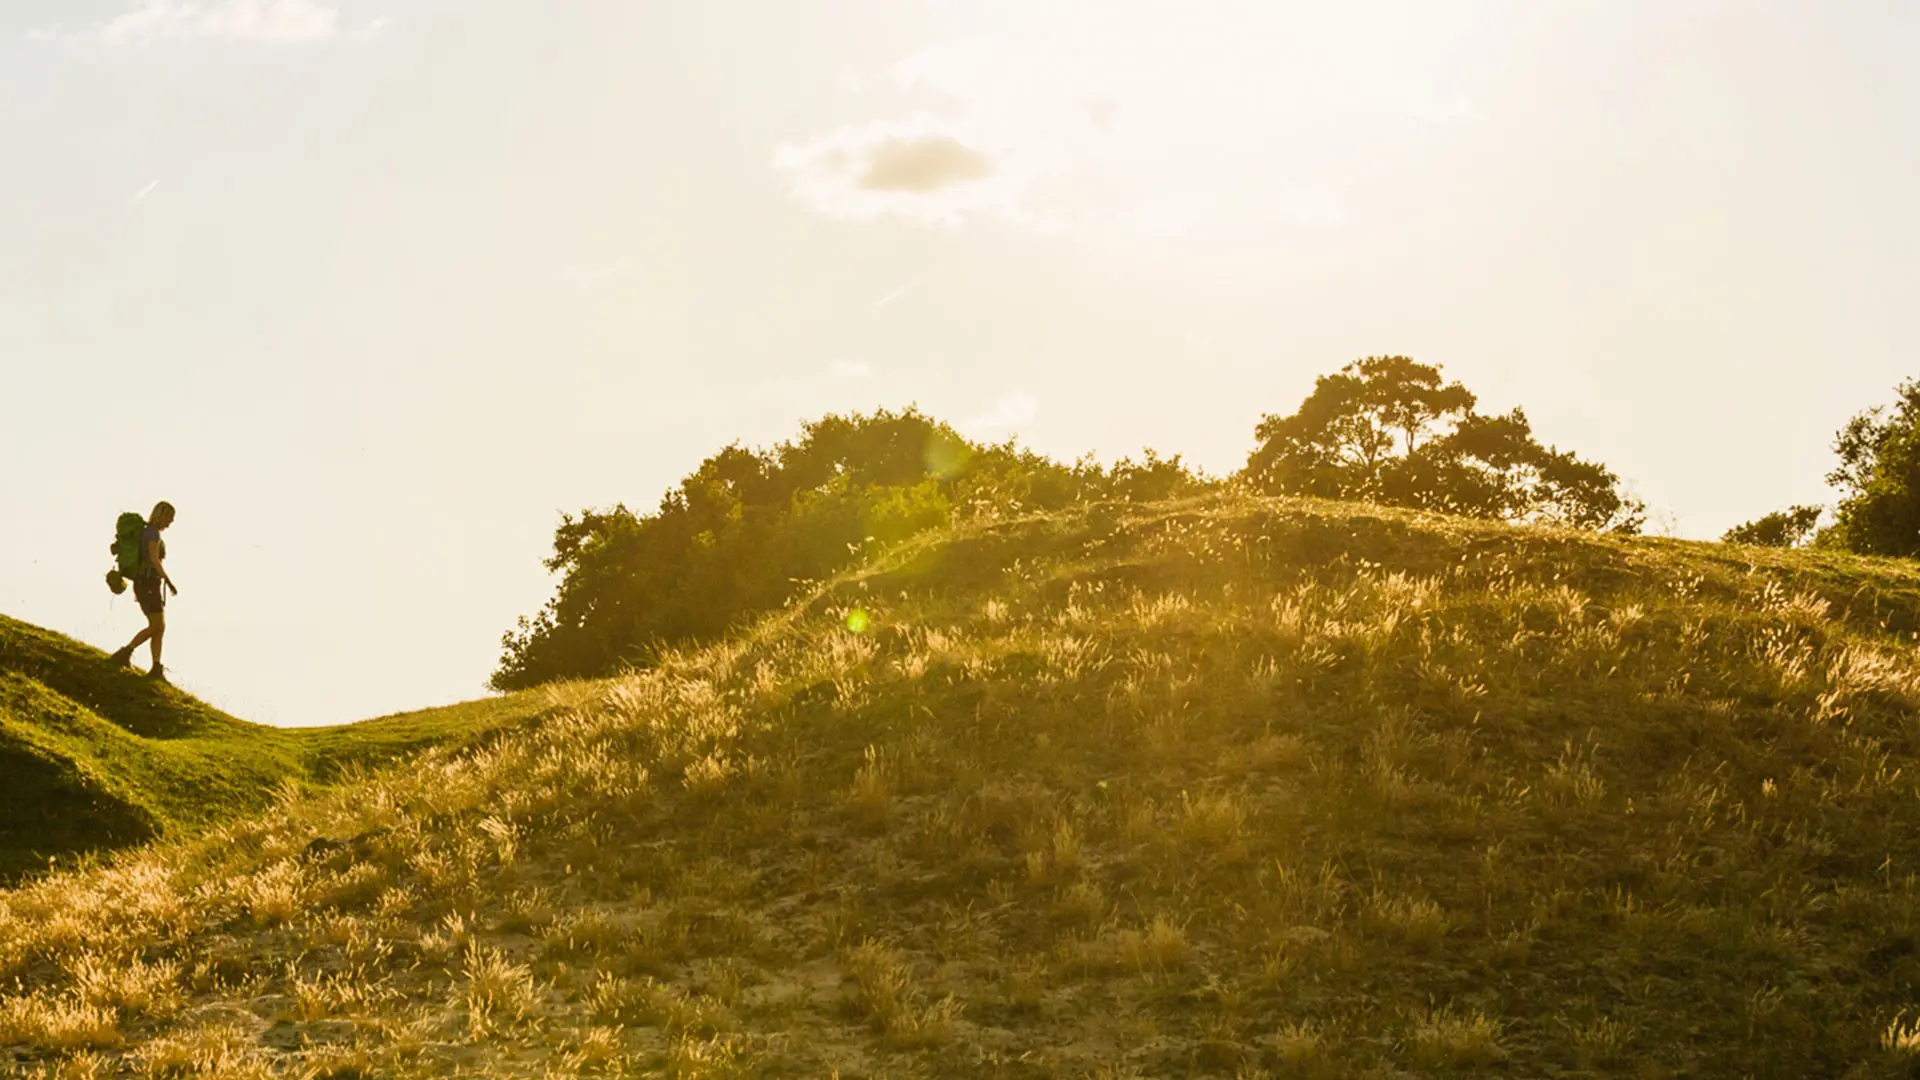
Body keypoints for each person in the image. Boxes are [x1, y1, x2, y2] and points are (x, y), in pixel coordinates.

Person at [110, 501, 179, 683]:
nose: (170, 523)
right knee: (156, 626)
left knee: (159, 626)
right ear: (161, 515)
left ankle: (156, 667)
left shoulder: (146, 531)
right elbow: (155, 561)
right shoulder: (152, 533)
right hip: (148, 583)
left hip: (146, 583)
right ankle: (126, 652)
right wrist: (169, 582)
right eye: (169, 518)